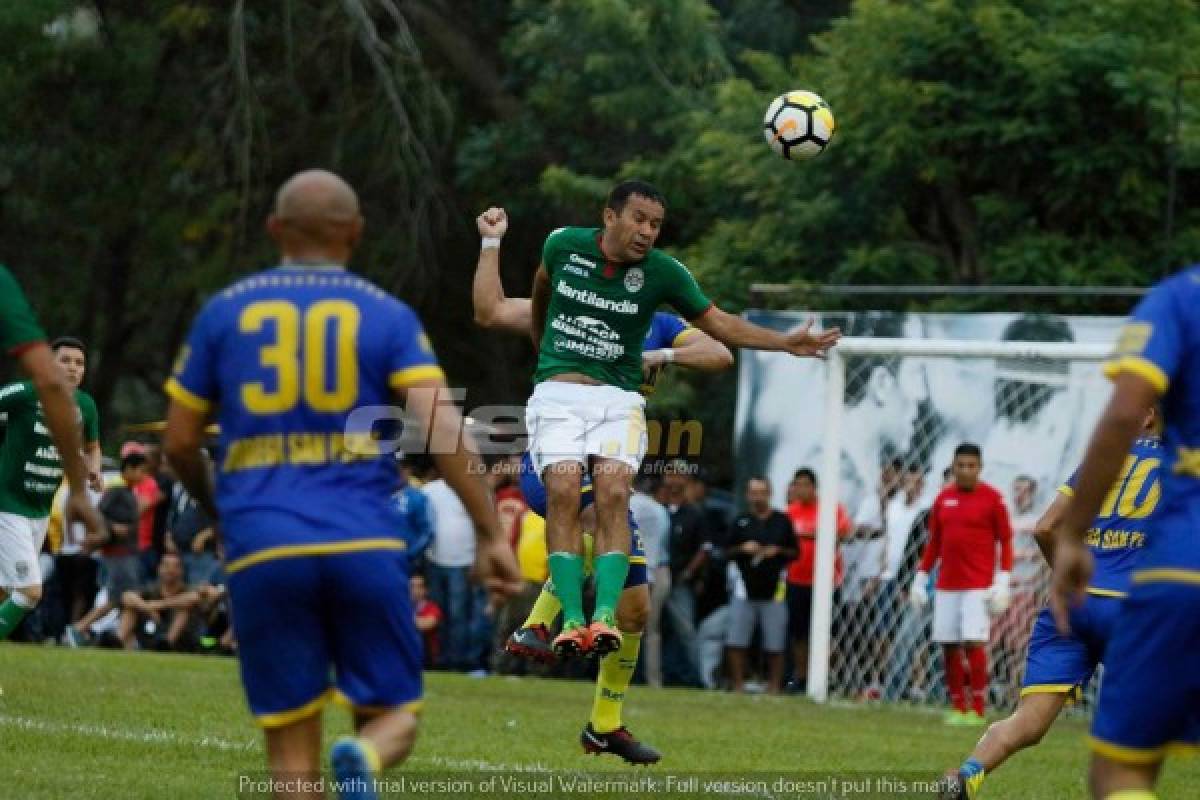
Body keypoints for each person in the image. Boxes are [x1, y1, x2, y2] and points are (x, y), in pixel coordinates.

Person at [162, 169, 520, 800]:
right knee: (394, 717)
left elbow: (180, 443)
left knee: (291, 755)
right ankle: (364, 753)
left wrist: (222, 510)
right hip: (364, 542)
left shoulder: (226, 312)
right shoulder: (386, 315)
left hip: (265, 544)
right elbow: (442, 425)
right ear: (355, 234)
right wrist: (490, 530)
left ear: (276, 229)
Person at [490, 180, 838, 669]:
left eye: (655, 225)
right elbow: (539, 289)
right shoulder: (562, 244)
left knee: (612, 494)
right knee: (566, 491)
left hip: (618, 397)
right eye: (638, 219)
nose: (647, 232)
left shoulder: (663, 274)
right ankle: (568, 620)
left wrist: (785, 343)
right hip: (557, 395)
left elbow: (721, 330)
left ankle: (601, 617)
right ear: (609, 216)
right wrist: (543, 344)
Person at [473, 206, 734, 761]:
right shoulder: (574, 306)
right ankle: (541, 623)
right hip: (559, 462)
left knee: (636, 610)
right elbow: (491, 312)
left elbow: (717, 350)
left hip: (610, 467)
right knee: (594, 518)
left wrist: (662, 354)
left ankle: (604, 722)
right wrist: (491, 244)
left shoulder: (659, 321)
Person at [942, 412, 1162, 800]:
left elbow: (1045, 527)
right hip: (1130, 610)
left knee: (1029, 720)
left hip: (1070, 607)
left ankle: (967, 773)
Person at [1049, 266, 1200, 800]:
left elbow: (1124, 412)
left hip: (1183, 567)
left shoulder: (1182, 297)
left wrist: (1073, 535)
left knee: (1121, 772)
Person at [0, 334, 102, 641]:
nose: (73, 368)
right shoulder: (24, 394)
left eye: (79, 363)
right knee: (30, 592)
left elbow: (93, 446)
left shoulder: (85, 405)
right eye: (65, 361)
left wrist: (94, 467)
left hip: (40, 511)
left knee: (5, 593)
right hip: (8, 506)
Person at [910, 443, 1013, 725]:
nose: (966, 471)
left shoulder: (993, 499)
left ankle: (978, 708)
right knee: (949, 644)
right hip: (946, 585)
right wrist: (920, 578)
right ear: (953, 467)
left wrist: (1003, 579)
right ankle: (958, 706)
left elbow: (1005, 540)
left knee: (974, 642)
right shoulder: (943, 500)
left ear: (980, 468)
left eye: (971, 466)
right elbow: (934, 544)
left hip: (977, 585)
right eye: (961, 466)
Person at [725, 477, 795, 694]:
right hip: (744, 588)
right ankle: (738, 685)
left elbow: (795, 552)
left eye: (761, 492)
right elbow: (725, 551)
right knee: (737, 638)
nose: (757, 497)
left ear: (770, 493)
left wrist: (777, 551)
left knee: (775, 640)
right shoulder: (740, 521)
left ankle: (774, 685)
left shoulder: (782, 521)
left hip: (775, 589)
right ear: (747, 495)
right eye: (753, 493)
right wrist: (742, 548)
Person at [784, 468, 852, 691]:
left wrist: (812, 535)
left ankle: (827, 675)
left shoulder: (832, 509)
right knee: (799, 632)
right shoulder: (790, 512)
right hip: (796, 580)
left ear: (814, 487)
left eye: (805, 484)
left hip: (826, 582)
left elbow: (844, 533)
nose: (801, 489)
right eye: (797, 484)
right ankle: (801, 676)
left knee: (828, 632)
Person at [117, 550, 202, 651]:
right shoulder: (151, 589)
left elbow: (195, 597)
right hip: (151, 630)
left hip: (181, 640)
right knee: (130, 608)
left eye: (175, 566)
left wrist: (159, 605)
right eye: (166, 566)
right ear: (159, 569)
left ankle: (166, 645)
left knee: (185, 607)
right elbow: (126, 596)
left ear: (182, 571)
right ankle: (118, 642)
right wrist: (146, 607)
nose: (170, 570)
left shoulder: (188, 589)